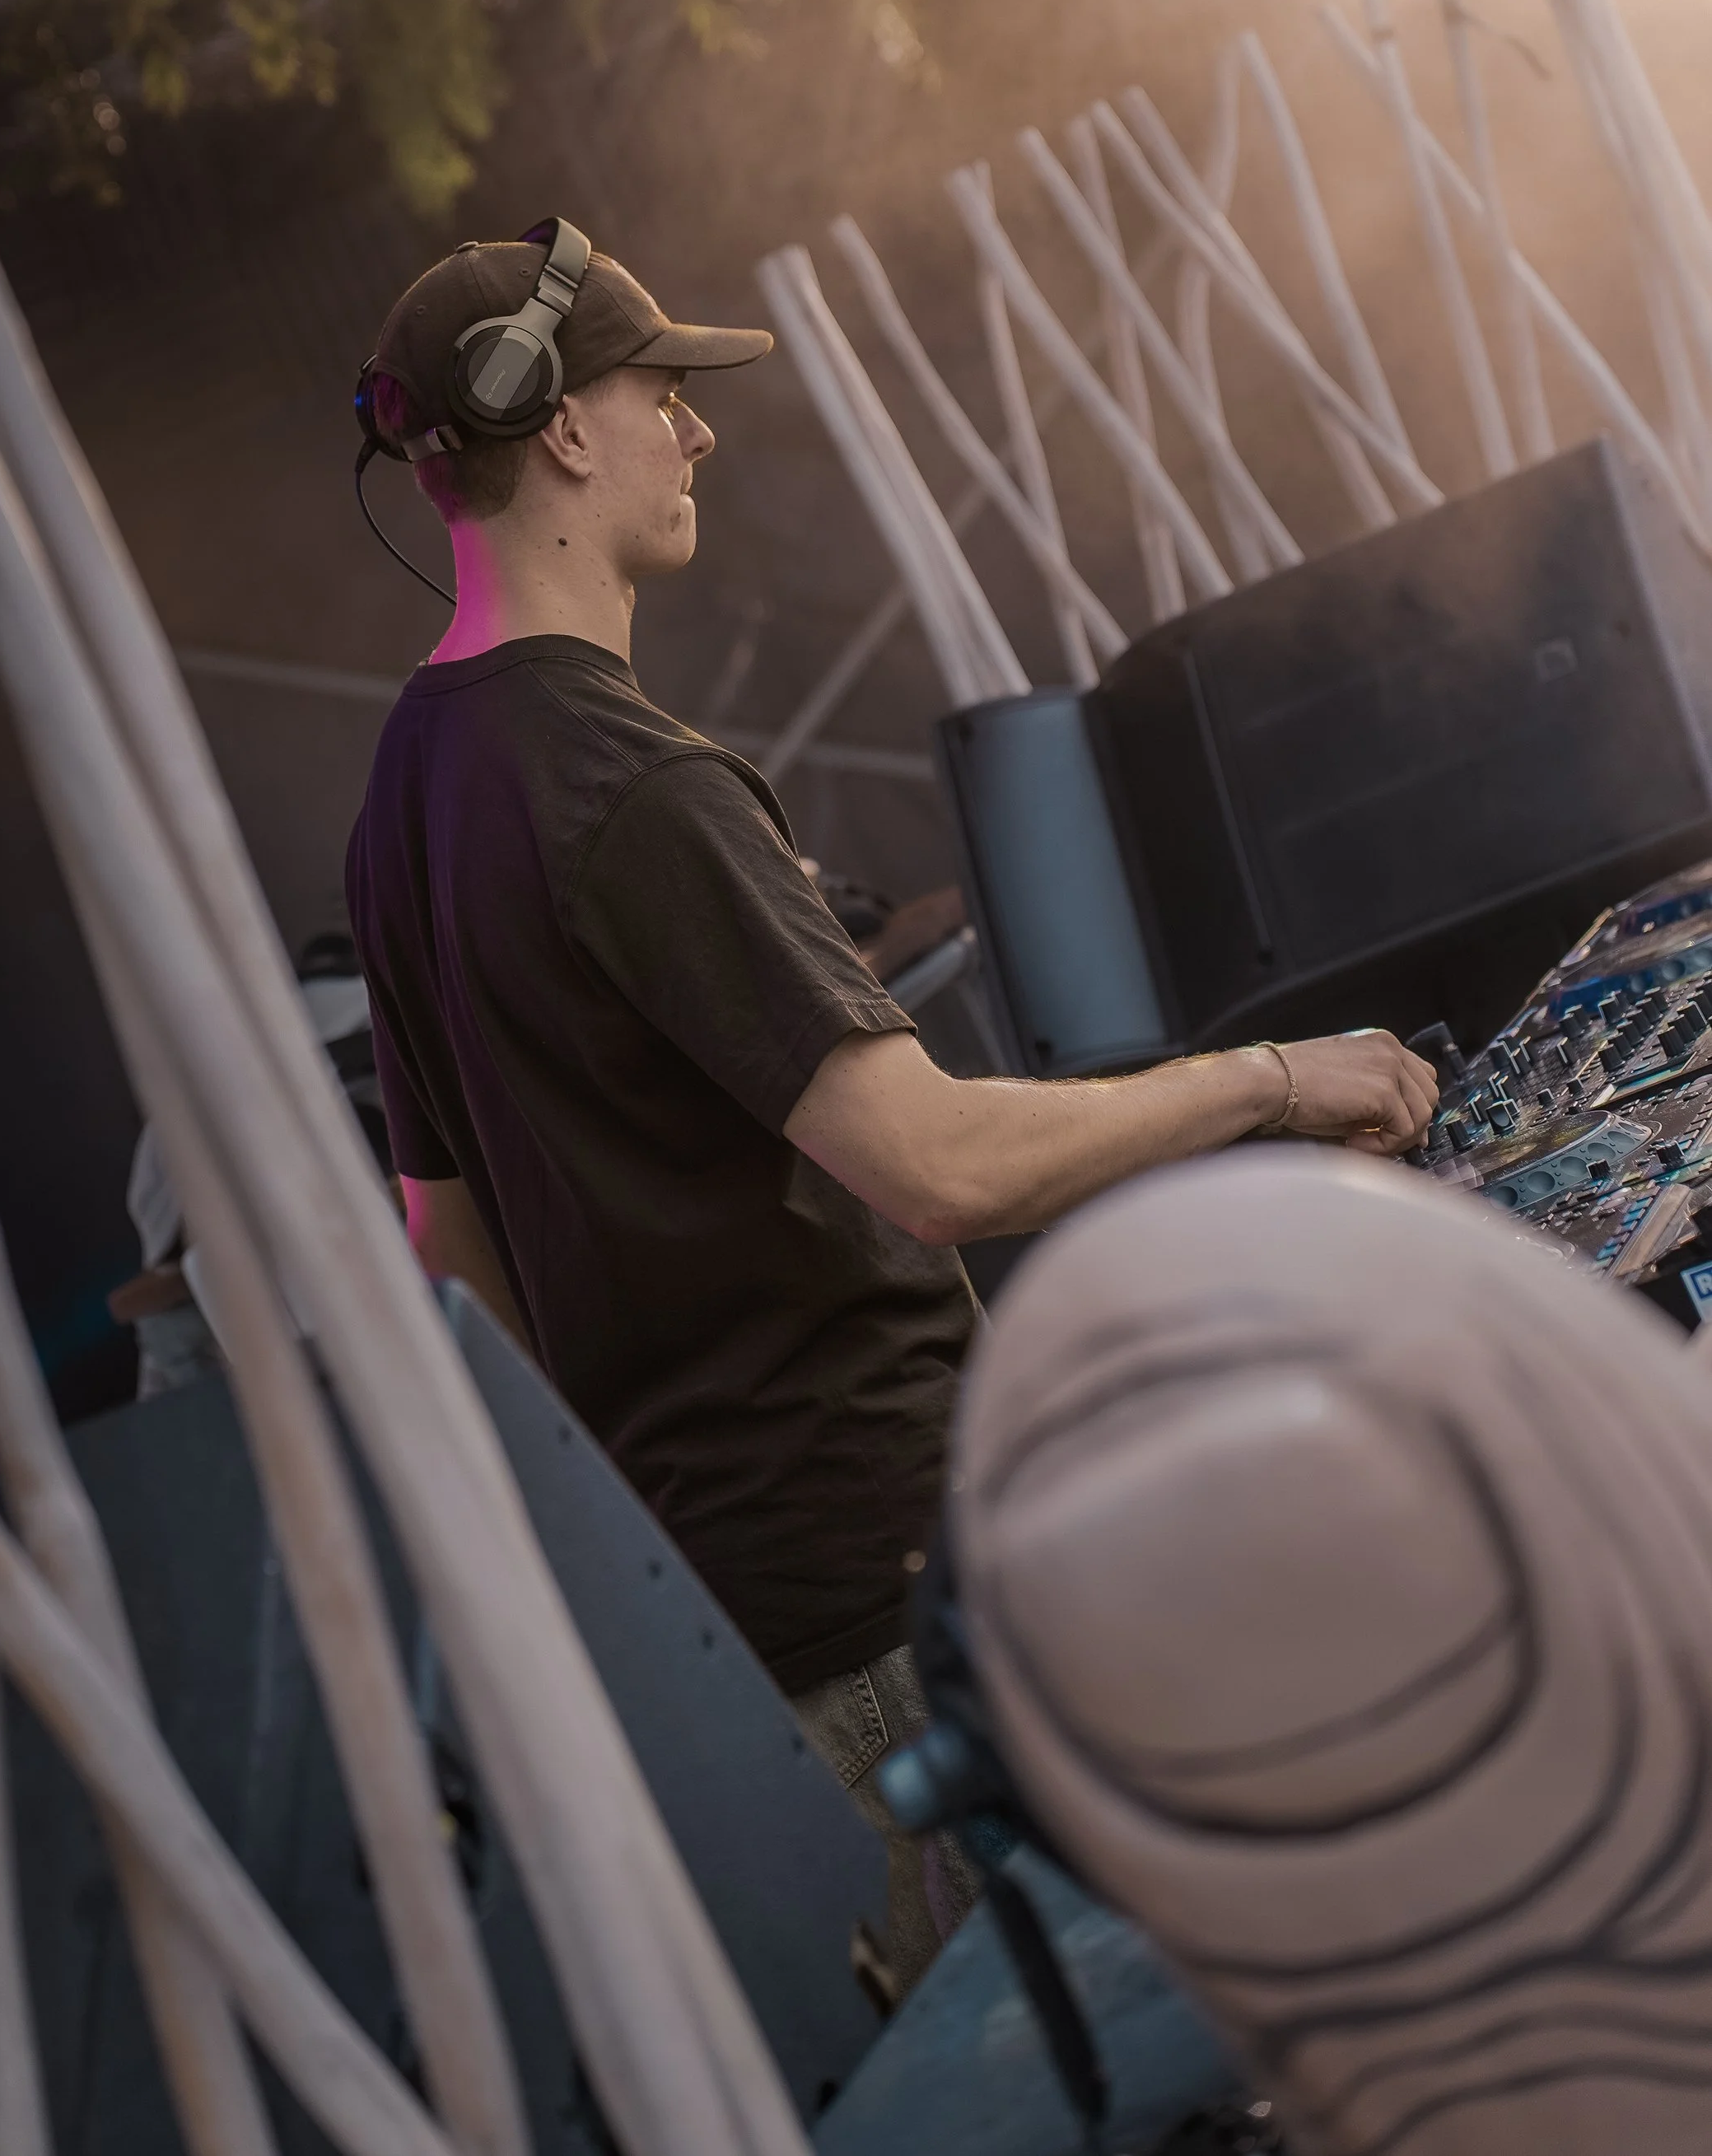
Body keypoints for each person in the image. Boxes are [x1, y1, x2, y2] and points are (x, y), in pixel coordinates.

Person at [343, 226, 1436, 1987]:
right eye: (662, 396)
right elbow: (929, 1168)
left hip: (740, 1635)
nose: (695, 436)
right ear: (551, 428)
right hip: (888, 1603)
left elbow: (449, 1267)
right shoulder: (632, 785)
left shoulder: (403, 802)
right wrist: (1268, 1078)